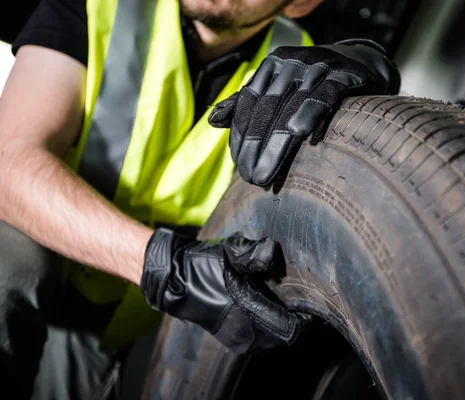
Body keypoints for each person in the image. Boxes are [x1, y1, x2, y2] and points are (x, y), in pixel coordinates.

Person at [0, 0, 400, 398]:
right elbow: (9, 164)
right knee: (14, 262)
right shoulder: (99, 7)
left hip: (122, 319)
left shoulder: (298, 65)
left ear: (300, 4)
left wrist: (363, 70)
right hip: (41, 264)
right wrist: (164, 266)